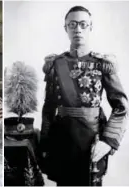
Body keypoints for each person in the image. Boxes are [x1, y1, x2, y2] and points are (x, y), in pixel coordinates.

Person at [40, 6, 128, 186]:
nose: (77, 29)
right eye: (72, 24)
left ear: (90, 27)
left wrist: (108, 141)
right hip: (62, 139)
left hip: (92, 140)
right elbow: (48, 108)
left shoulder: (103, 64)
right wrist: (45, 144)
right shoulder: (56, 64)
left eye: (82, 24)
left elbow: (121, 106)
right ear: (66, 28)